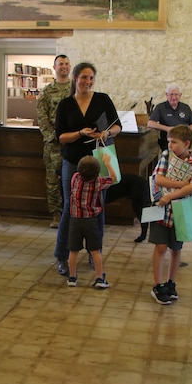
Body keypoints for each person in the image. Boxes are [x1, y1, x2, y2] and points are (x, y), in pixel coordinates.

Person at [54, 62, 121, 276]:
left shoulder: (102, 99)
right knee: (69, 208)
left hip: (98, 160)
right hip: (73, 162)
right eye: (84, 77)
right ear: (75, 78)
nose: (87, 82)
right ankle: (62, 256)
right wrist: (80, 133)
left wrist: (107, 134)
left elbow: (117, 126)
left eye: (91, 78)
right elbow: (61, 137)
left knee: (98, 206)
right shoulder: (65, 104)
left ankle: (95, 252)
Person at [149, 125, 192, 305]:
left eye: (174, 142)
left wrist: (171, 195)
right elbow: (158, 178)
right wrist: (181, 183)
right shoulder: (166, 156)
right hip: (160, 209)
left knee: (176, 248)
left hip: (180, 211)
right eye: (168, 141)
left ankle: (171, 283)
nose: (169, 145)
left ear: (186, 144)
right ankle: (158, 285)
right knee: (160, 247)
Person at [66, 154, 116, 289]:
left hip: (75, 220)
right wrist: (107, 162)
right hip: (91, 221)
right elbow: (114, 178)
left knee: (73, 250)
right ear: (97, 173)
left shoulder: (75, 178)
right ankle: (100, 277)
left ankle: (72, 277)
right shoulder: (98, 182)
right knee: (95, 250)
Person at [37, 55, 71, 229]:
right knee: (53, 181)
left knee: (74, 179)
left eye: (66, 64)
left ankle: (71, 213)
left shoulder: (76, 89)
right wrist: (53, 136)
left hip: (74, 142)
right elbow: (42, 117)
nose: (64, 67)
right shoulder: (47, 91)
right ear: (54, 67)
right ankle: (56, 215)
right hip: (54, 145)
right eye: (61, 64)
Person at [147, 84, 192, 151]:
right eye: (171, 94)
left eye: (176, 94)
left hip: (183, 144)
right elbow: (150, 123)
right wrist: (168, 129)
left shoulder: (186, 107)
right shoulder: (160, 107)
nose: (174, 97)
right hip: (167, 144)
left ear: (180, 95)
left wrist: (186, 132)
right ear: (166, 95)